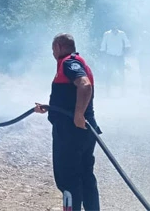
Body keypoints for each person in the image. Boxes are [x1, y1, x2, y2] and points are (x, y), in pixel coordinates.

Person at [35, 33, 101, 211]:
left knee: (68, 180)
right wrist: (49, 107)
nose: (52, 53)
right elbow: (69, 97)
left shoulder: (68, 63)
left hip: (71, 132)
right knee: (85, 176)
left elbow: (84, 85)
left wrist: (79, 114)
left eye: (52, 49)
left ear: (58, 46)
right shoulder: (76, 62)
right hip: (83, 131)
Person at [100, 27, 130, 95]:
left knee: (121, 74)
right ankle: (108, 92)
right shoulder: (107, 34)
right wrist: (104, 57)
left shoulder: (122, 33)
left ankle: (123, 91)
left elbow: (127, 44)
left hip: (119, 57)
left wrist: (124, 53)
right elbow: (103, 45)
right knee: (109, 74)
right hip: (110, 57)